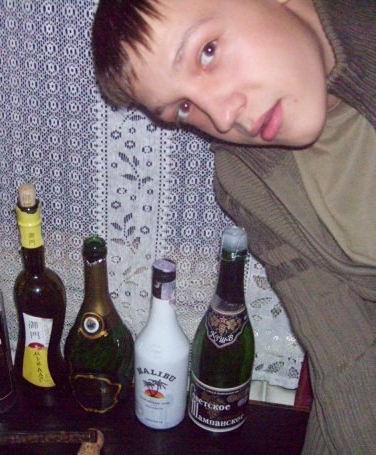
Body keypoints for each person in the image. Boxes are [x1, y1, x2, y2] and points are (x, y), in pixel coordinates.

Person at [92, 0, 375, 453]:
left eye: (207, 52)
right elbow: (345, 354)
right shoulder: (245, 179)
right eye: (184, 108)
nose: (222, 119)